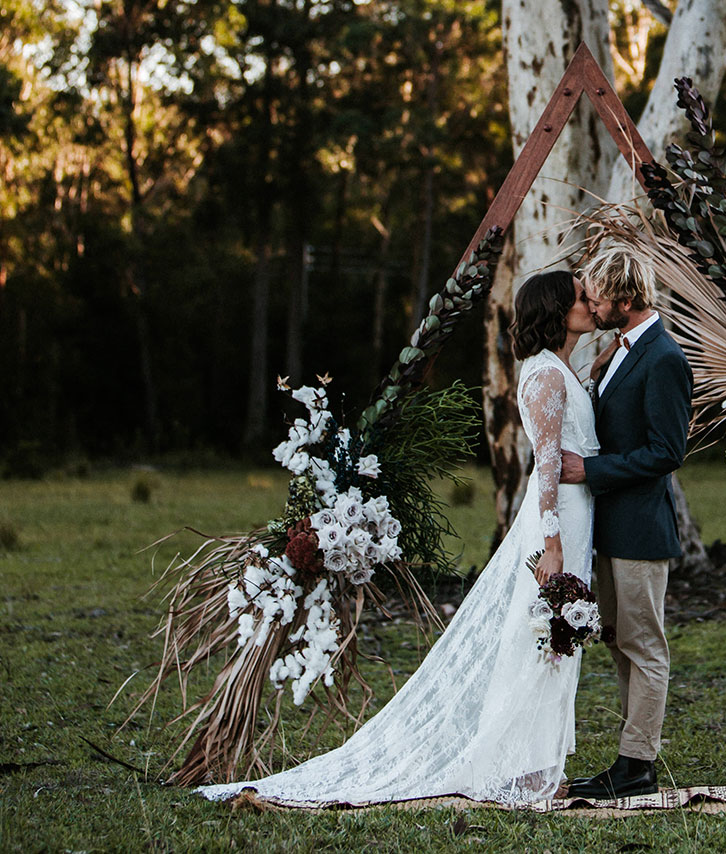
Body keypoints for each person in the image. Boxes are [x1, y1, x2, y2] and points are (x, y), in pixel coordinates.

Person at [197, 270, 599, 807]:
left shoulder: (561, 369)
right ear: (556, 311)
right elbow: (544, 465)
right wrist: (552, 543)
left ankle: (541, 763)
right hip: (557, 521)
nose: (590, 302)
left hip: (577, 515)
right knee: (540, 638)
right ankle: (523, 770)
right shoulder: (546, 375)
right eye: (579, 297)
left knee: (552, 638)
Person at [560, 243, 693, 800]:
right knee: (618, 640)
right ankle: (629, 758)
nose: (589, 304)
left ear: (625, 297)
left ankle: (638, 763)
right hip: (612, 526)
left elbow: (667, 452)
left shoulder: (664, 357)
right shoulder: (619, 349)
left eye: (596, 295)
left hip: (641, 528)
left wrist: (588, 470)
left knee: (645, 645)